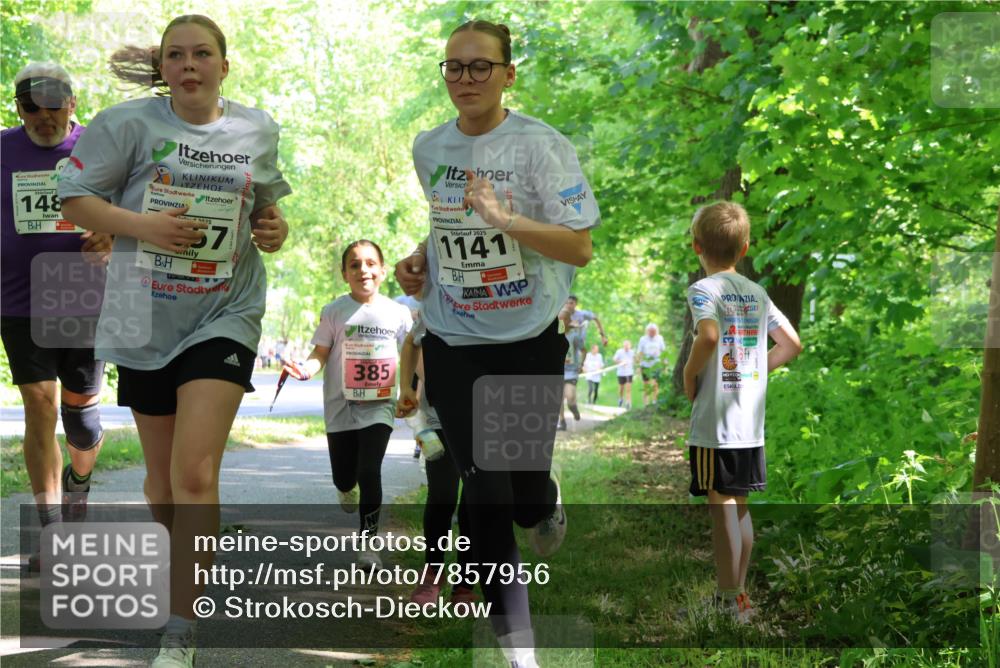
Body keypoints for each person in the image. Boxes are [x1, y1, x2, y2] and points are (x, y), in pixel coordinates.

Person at [58, 14, 291, 667]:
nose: (190, 65)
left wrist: (274, 230)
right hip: (142, 310)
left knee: (194, 471)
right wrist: (142, 227)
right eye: (176, 55)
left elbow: (267, 210)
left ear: (224, 63)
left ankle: (182, 625)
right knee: (160, 484)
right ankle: (184, 571)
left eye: (203, 54)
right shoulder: (127, 125)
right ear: (162, 68)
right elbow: (72, 196)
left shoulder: (255, 128)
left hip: (226, 308)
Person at [395, 19, 600, 667]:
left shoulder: (541, 147)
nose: (465, 79)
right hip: (454, 339)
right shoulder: (430, 148)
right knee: (481, 490)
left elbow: (580, 247)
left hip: (528, 337)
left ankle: (546, 498)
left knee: (523, 496)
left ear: (509, 74)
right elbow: (446, 229)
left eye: (480, 66)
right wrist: (417, 261)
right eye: (454, 67)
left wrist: (507, 220)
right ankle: (519, 651)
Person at [1, 62, 113, 548]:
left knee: (81, 415)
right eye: (32, 106)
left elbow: (133, 208)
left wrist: (112, 235)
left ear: (72, 102)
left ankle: (80, 480)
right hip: (18, 296)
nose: (44, 116)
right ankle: (51, 533)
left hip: (83, 293)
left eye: (54, 105)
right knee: (39, 406)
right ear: (18, 106)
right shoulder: (2, 149)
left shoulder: (100, 147)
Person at [682, 201, 801, 622]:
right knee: (740, 506)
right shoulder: (757, 292)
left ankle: (728, 599)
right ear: (745, 247)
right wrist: (755, 370)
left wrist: (689, 371)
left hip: (716, 425)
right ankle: (741, 595)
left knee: (722, 512)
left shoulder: (703, 289)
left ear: (697, 246)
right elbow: (791, 345)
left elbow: (709, 335)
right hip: (749, 424)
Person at [283, 240, 412, 569]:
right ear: (344, 274)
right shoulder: (334, 311)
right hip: (340, 406)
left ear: (383, 271)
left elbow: (413, 353)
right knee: (345, 476)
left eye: (370, 263)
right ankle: (344, 487)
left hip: (379, 405)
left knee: (370, 470)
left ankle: (369, 544)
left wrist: (416, 387)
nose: (363, 270)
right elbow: (320, 355)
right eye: (354, 265)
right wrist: (304, 369)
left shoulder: (397, 313)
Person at [395, 316, 477, 605]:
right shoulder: (437, 305)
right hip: (439, 419)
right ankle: (432, 574)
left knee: (474, 501)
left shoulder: (497, 306)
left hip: (486, 417)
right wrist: (406, 386)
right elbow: (411, 342)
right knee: (442, 496)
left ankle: (466, 583)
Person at [636, 322, 666, 406]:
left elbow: (663, 351)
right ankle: (646, 403)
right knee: (646, 384)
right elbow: (640, 352)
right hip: (645, 365)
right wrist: (638, 366)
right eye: (650, 331)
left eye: (654, 331)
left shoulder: (660, 338)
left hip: (656, 364)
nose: (652, 333)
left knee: (655, 384)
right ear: (647, 331)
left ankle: (655, 401)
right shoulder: (643, 339)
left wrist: (665, 364)